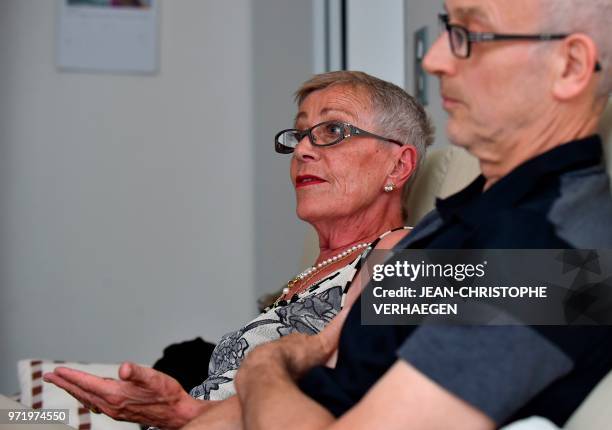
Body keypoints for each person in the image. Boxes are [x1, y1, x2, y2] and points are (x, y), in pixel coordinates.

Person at [227, 1, 612, 430]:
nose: (433, 59)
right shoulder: (463, 212)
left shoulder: (554, 253)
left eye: (471, 35)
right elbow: (343, 368)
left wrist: (264, 366)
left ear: (570, 65)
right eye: (448, 27)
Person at [42, 71, 434, 429]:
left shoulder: (405, 253)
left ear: (398, 166)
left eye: (332, 130)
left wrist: (183, 413)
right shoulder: (315, 273)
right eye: (299, 134)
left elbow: (354, 405)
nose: (302, 151)